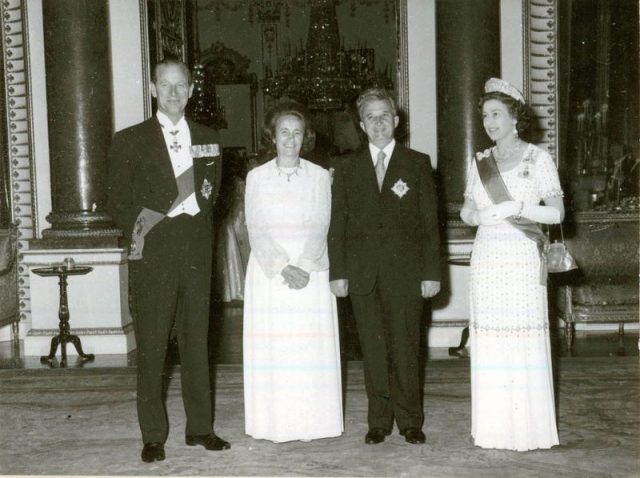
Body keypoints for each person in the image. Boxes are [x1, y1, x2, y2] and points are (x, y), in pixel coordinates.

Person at [106, 57, 230, 463]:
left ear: (192, 89)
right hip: (154, 253)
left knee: (197, 343)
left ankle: (201, 428)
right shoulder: (129, 139)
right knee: (153, 347)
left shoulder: (210, 137)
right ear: (154, 89)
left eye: (182, 86)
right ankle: (153, 435)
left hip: (195, 252)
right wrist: (153, 220)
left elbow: (212, 198)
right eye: (167, 85)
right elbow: (118, 201)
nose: (175, 93)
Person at [328, 87, 441, 445]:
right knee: (373, 348)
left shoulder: (417, 163)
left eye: (384, 116)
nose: (378, 123)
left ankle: (410, 419)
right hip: (362, 274)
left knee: (406, 347)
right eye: (370, 117)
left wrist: (431, 273)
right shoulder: (346, 167)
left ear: (396, 120)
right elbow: (338, 224)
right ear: (362, 125)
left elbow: (428, 224)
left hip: (406, 274)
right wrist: (338, 272)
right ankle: (378, 419)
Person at [460, 77, 563, 451]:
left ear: (515, 117)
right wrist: (473, 216)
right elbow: (468, 207)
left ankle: (527, 430)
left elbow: (556, 212)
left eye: (496, 114)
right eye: (485, 115)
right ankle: (494, 429)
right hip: (487, 255)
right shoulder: (480, 161)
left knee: (521, 335)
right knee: (491, 338)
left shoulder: (538, 158)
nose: (489, 122)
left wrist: (519, 207)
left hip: (521, 255)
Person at [243, 102, 343, 443]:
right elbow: (256, 227)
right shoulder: (256, 177)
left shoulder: (319, 176)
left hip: (310, 270)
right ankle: (275, 423)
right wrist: (282, 266)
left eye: (297, 132)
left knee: (307, 348)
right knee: (277, 347)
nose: (290, 138)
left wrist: (301, 265)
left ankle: (314, 422)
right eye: (284, 132)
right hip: (270, 272)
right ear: (273, 137)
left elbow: (322, 223)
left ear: (306, 138)